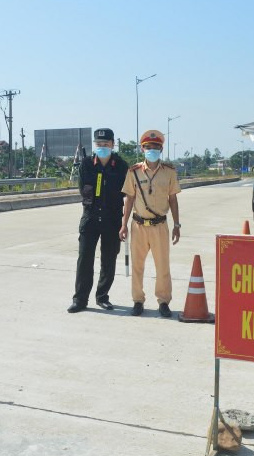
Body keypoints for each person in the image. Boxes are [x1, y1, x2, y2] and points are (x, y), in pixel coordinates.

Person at [119, 130, 181, 317]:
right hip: (138, 226)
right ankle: (138, 301)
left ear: (161, 149)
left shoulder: (169, 172)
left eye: (155, 147)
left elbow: (173, 200)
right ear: (142, 148)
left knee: (163, 266)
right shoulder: (134, 172)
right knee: (137, 266)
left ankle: (163, 301)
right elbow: (129, 199)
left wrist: (177, 225)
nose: (151, 150)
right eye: (147, 147)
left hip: (160, 226)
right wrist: (123, 225)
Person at [68, 128, 129, 313]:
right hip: (90, 218)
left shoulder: (121, 166)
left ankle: (102, 297)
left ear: (113, 144)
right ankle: (80, 300)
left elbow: (126, 192)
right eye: (99, 144)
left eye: (106, 144)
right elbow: (83, 190)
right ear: (95, 145)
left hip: (112, 219)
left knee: (108, 260)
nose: (102, 147)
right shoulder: (86, 164)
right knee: (84, 260)